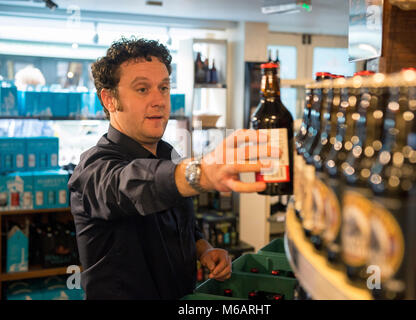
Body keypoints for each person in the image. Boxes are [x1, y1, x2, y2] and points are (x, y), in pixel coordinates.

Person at [68, 37, 278, 300]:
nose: (159, 101)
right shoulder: (93, 168)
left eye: (164, 88)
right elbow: (130, 185)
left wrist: (203, 249)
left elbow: (181, 224)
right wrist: (200, 172)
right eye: (143, 89)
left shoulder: (168, 153)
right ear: (109, 99)